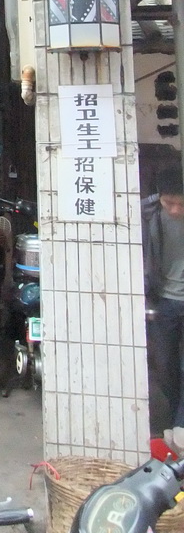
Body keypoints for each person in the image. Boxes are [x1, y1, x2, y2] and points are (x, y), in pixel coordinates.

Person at [142, 184, 184, 450]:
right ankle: (170, 423)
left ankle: (180, 424)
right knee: (165, 366)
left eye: (181, 204)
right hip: (164, 302)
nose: (176, 210)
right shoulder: (149, 215)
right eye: (170, 203)